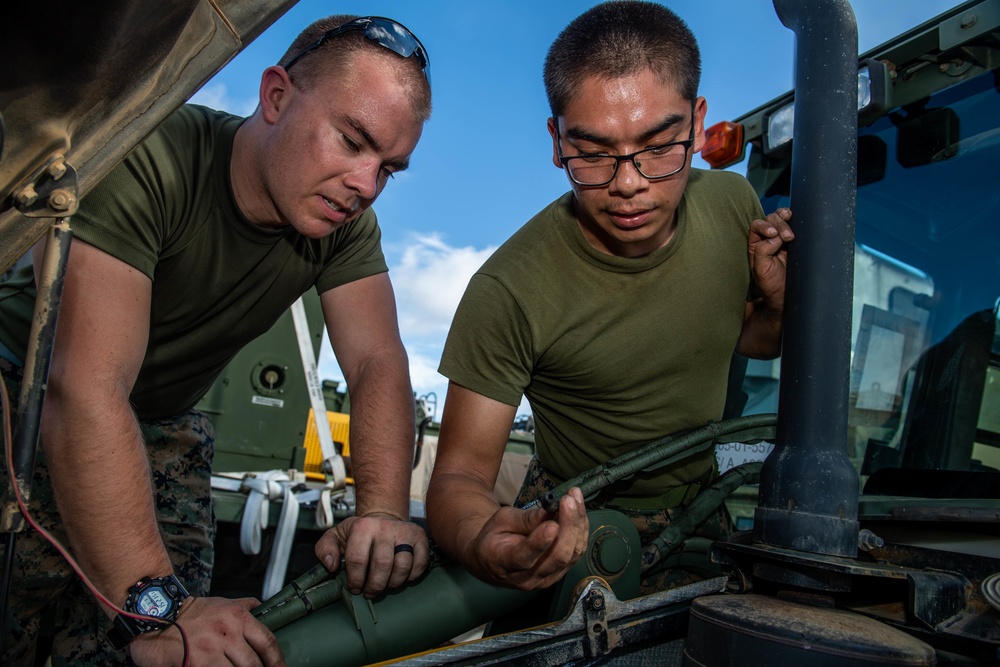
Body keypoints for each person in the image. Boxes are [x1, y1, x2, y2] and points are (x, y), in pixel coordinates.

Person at [0, 13, 432, 666]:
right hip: (24, 399)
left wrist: (383, 513)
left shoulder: (344, 226)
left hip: (160, 421)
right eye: (350, 141)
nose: (366, 187)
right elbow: (81, 384)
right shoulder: (152, 154)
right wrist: (158, 608)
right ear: (276, 96)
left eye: (388, 169)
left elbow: (377, 361)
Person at [425, 0, 794, 595]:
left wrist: (775, 307)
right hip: (576, 531)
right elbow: (457, 480)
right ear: (556, 140)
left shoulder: (733, 206)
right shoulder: (508, 292)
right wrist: (483, 540)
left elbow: (744, 337)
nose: (628, 184)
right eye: (593, 153)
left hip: (705, 516)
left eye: (657, 147)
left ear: (698, 124)